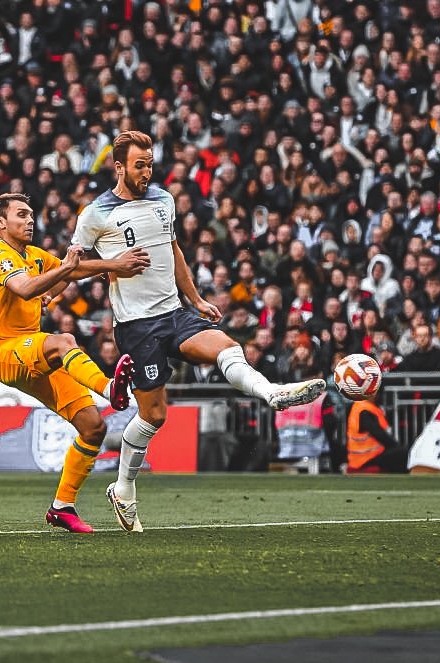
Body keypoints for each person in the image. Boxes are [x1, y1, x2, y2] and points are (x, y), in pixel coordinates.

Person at [72, 131, 326, 532]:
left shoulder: (163, 200)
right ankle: (123, 489)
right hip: (137, 328)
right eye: (139, 165)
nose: (146, 171)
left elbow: (173, 252)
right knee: (154, 416)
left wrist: (195, 299)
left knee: (226, 346)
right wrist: (112, 265)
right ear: (118, 167)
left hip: (174, 313)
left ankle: (272, 393)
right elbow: (72, 265)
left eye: (150, 164)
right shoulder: (96, 213)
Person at [0, 193, 150, 533]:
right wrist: (67, 272)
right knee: (64, 341)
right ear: (1, 222)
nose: (30, 220)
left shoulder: (33, 256)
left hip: (32, 355)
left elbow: (70, 271)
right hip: (4, 350)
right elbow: (26, 289)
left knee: (93, 427)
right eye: (22, 214)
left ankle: (62, 507)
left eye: (31, 214)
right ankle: (108, 388)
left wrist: (113, 265)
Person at [346, 392, 405, 473]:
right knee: (403, 453)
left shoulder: (359, 407)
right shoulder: (364, 410)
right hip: (366, 459)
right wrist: (396, 447)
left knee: (398, 453)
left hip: (362, 458)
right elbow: (379, 434)